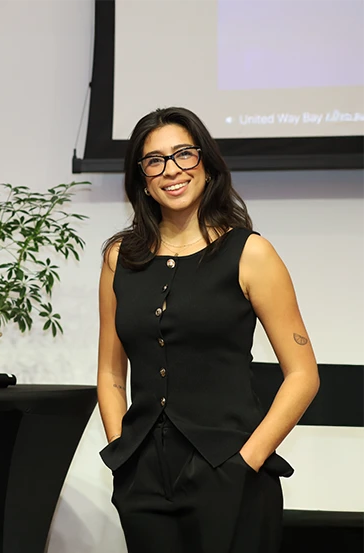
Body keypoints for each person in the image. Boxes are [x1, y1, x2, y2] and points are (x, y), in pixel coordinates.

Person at [96, 107, 319, 553]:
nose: (171, 170)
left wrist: (247, 461)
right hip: (143, 478)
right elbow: (110, 373)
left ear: (207, 164)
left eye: (183, 155)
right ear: (142, 177)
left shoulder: (251, 253)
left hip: (230, 471)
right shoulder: (120, 258)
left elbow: (303, 375)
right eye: (154, 160)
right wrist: (123, 454)